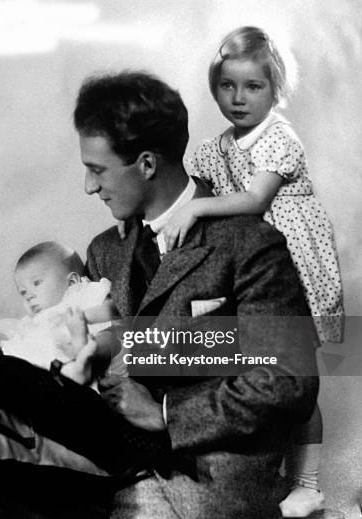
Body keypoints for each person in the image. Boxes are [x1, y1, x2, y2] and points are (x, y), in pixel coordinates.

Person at [0, 71, 318, 519]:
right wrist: (5, 359)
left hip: (192, 474)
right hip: (102, 455)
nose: (88, 186)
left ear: (146, 164)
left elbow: (289, 378)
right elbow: (82, 359)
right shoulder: (106, 250)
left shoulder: (251, 245)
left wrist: (166, 412)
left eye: (97, 169)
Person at [161, 26, 343, 517]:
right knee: (254, 374)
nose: (238, 98)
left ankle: (309, 483)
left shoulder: (279, 139)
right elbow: (189, 192)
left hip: (295, 267)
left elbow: (256, 199)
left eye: (253, 87)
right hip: (251, 272)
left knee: (296, 376)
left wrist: (197, 212)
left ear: (276, 89)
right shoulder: (215, 147)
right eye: (227, 86)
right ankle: (262, 472)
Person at [0, 240, 123, 374]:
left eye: (37, 283)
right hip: (49, 366)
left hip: (88, 353)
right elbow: (25, 343)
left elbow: (117, 308)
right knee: (13, 342)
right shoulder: (37, 320)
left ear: (72, 282)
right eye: (23, 292)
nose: (29, 296)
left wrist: (85, 316)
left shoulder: (82, 293)